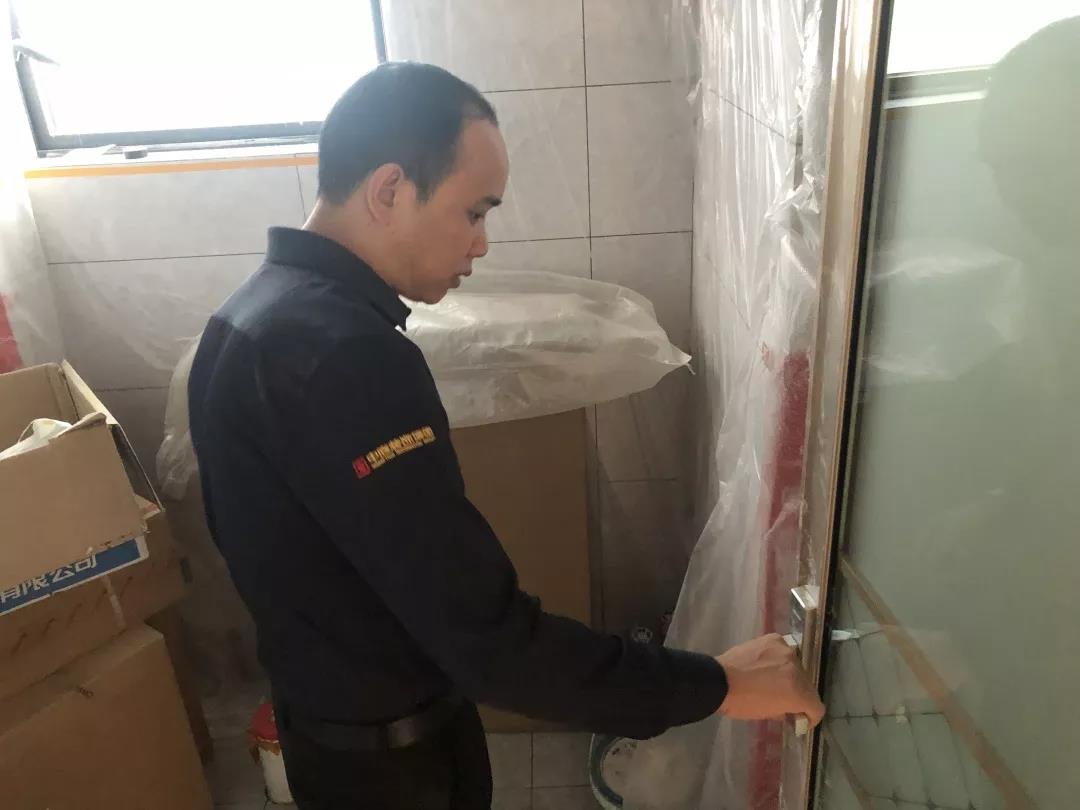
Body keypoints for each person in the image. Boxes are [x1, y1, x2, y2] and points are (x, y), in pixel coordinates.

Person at [187, 62, 824, 810]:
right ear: (389, 191)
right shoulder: (348, 356)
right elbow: (488, 640)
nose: (482, 243)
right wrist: (717, 685)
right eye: (473, 212)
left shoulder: (242, 319)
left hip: (324, 739)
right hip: (398, 770)